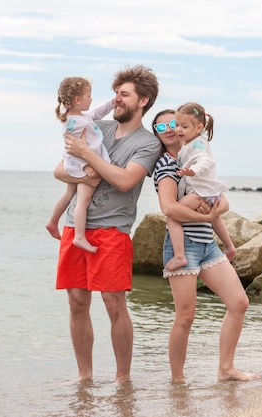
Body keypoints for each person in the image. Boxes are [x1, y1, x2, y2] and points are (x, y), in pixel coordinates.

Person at [53, 65, 162, 384]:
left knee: (114, 305)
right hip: (76, 227)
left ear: (143, 100)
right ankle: (85, 378)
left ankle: (122, 380)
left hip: (113, 230)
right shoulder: (93, 125)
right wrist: (85, 173)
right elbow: (60, 170)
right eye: (116, 93)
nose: (116, 99)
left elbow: (126, 181)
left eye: (124, 94)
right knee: (76, 303)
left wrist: (88, 157)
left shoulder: (148, 143)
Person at [152, 108, 260, 383]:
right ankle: (177, 381)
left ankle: (226, 369)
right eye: (161, 128)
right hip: (183, 245)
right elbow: (170, 209)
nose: (170, 130)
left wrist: (224, 235)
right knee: (185, 316)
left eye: (173, 124)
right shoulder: (166, 166)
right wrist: (208, 215)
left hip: (207, 244)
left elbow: (220, 201)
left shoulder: (198, 156)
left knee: (239, 302)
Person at [46, 77, 114, 253]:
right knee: (82, 202)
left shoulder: (78, 117)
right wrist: (85, 166)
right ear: (78, 99)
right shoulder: (74, 124)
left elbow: (98, 112)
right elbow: (73, 149)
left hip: (75, 165)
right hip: (81, 164)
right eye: (89, 95)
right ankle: (79, 237)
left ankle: (53, 222)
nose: (91, 99)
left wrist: (112, 103)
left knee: (69, 193)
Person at [163, 102, 233, 271]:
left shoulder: (197, 144)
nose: (178, 130)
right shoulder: (190, 143)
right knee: (215, 217)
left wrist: (193, 171)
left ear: (199, 127)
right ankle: (229, 246)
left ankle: (179, 255)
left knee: (173, 217)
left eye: (184, 126)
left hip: (200, 192)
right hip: (208, 191)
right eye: (177, 125)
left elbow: (205, 160)